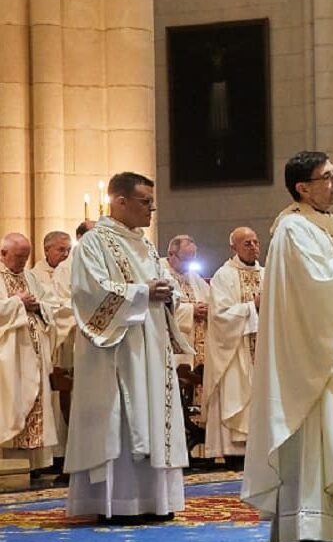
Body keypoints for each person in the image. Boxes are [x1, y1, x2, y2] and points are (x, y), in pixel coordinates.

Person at [242, 151, 333, 542]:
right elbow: (310, 287)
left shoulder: (330, 227)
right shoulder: (293, 229)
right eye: (327, 177)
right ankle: (310, 525)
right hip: (315, 355)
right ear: (302, 187)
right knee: (320, 432)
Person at [65, 172, 193, 522]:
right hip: (117, 349)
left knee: (154, 416)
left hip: (152, 344)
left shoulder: (146, 244)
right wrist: (143, 292)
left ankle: (154, 500)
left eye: (152, 202)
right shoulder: (94, 243)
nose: (152, 208)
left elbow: (163, 288)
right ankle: (118, 503)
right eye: (144, 201)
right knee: (120, 419)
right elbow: (88, 293)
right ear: (119, 202)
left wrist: (168, 294)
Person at [201, 227, 263, 467]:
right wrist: (252, 306)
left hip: (263, 353)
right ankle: (233, 453)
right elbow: (219, 316)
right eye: (247, 243)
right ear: (233, 248)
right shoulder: (223, 276)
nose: (253, 247)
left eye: (256, 242)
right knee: (237, 394)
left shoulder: (267, 274)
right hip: (236, 352)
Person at [0, 233, 59, 472]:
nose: (23, 262)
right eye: (19, 257)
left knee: (36, 403)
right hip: (8, 356)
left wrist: (38, 306)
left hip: (33, 354)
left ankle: (34, 466)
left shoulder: (30, 277)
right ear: (3, 253)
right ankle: (9, 463)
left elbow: (51, 305)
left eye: (26, 257)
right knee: (11, 402)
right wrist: (17, 303)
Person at [27, 231, 75, 460]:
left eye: (68, 250)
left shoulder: (72, 269)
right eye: (60, 249)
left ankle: (67, 450)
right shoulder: (35, 275)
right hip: (54, 346)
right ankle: (56, 453)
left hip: (70, 341)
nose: (65, 254)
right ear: (46, 250)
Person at [166, 235, 210, 368]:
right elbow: (160, 309)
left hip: (197, 344)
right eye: (185, 260)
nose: (188, 266)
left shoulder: (193, 277)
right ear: (171, 254)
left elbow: (211, 299)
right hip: (172, 346)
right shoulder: (160, 272)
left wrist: (207, 309)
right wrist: (191, 310)